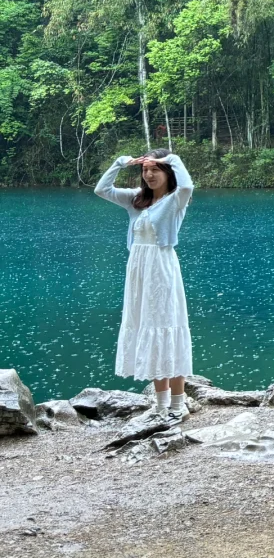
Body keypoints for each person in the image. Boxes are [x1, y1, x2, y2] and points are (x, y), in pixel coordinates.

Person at [93, 149, 196, 419]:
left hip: (162, 269)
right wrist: (120, 162)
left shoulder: (176, 201)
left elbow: (187, 184)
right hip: (138, 272)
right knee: (148, 328)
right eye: (145, 170)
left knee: (167, 327)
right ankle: (160, 406)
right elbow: (101, 190)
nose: (148, 174)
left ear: (166, 172)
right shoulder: (136, 199)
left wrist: (170, 158)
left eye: (155, 169)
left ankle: (178, 405)